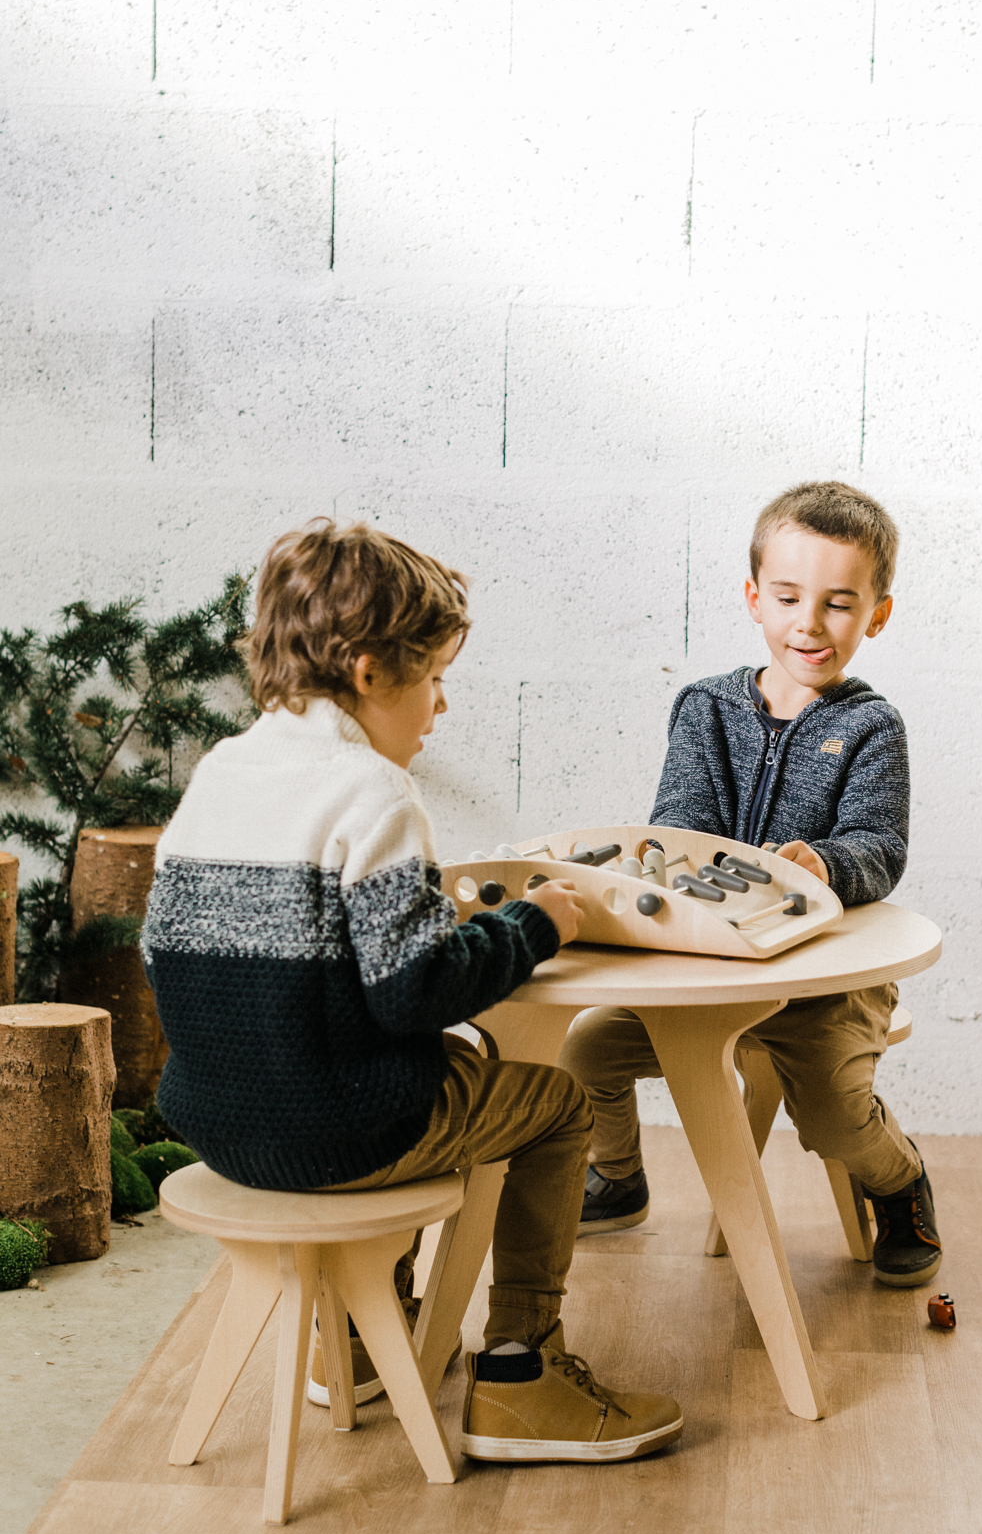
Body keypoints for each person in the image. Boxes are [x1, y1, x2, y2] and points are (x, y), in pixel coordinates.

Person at [141, 518, 682, 1464]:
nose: (439, 707)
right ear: (366, 672)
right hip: (343, 1133)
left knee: (435, 1065)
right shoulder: (374, 794)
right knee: (551, 1105)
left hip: (220, 1122)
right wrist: (539, 922)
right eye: (433, 677)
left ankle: (355, 1338)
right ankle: (521, 1373)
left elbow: (178, 958)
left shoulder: (221, 774)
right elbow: (412, 991)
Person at [560, 481, 941, 1288]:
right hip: (706, 969)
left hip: (821, 981)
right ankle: (618, 1176)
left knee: (836, 1117)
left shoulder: (870, 726)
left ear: (876, 613)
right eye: (788, 596)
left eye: (839, 603)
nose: (809, 622)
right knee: (583, 1045)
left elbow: (879, 847)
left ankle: (898, 1181)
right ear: (753, 600)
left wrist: (826, 865)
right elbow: (674, 827)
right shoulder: (703, 708)